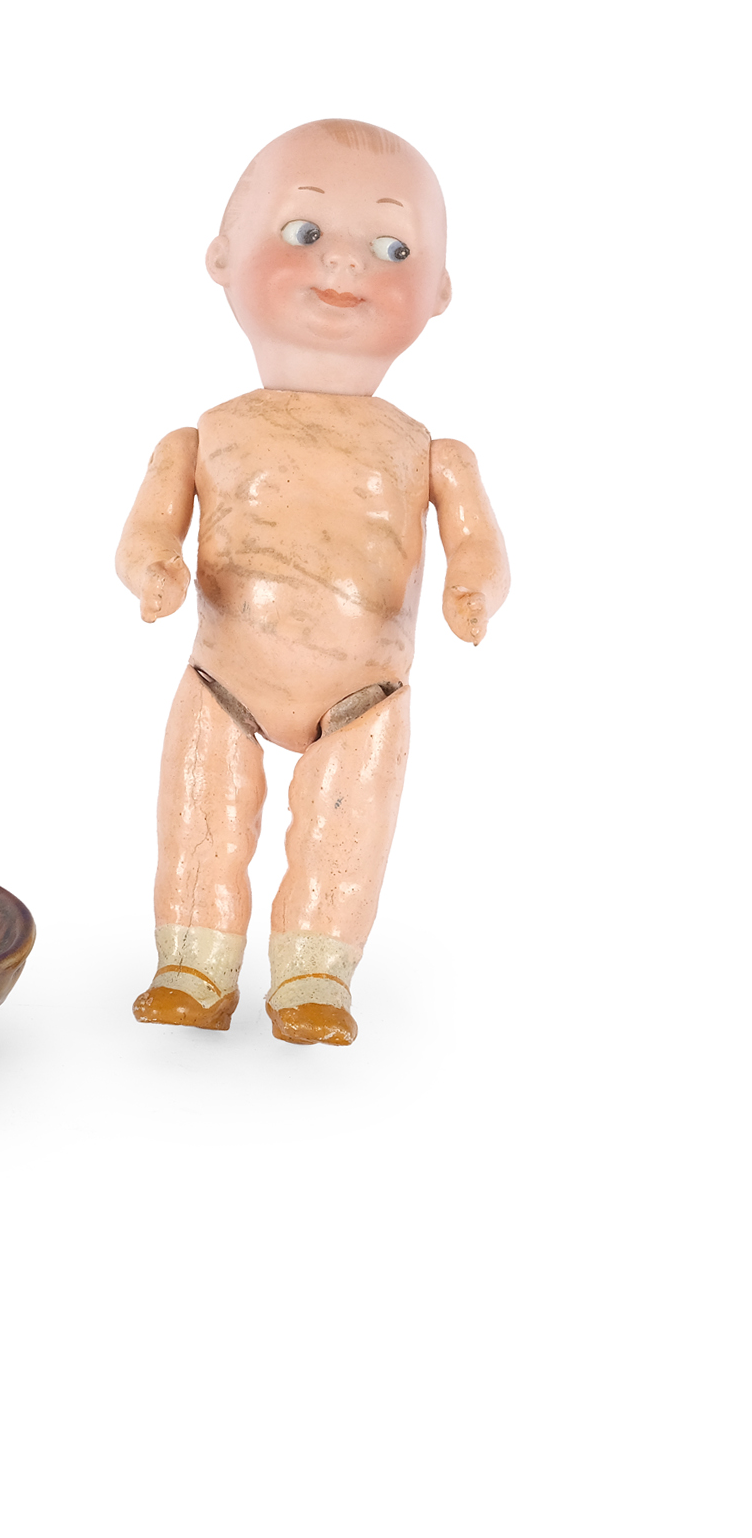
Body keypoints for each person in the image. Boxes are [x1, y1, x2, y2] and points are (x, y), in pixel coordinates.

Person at [118, 120, 511, 1045]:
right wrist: (153, 567)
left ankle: (313, 975)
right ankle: (193, 962)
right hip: (223, 675)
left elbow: (480, 546)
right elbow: (145, 531)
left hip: (365, 692)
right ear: (222, 256)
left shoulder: (429, 451)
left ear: (438, 289)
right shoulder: (204, 435)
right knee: (202, 815)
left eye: (394, 248)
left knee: (348, 828)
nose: (345, 263)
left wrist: (473, 589)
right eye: (304, 232)